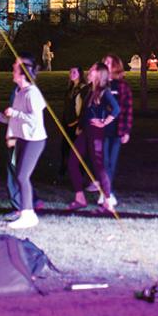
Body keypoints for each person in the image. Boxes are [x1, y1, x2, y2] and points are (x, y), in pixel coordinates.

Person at [0, 57, 46, 229]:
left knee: (21, 176)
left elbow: (34, 120)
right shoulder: (20, 92)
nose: (12, 72)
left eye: (15, 70)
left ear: (22, 74)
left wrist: (14, 113)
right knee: (20, 175)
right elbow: (15, 119)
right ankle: (25, 212)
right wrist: (0, 116)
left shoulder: (32, 93)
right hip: (22, 139)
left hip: (34, 140)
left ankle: (28, 215)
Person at [66, 63, 119, 212]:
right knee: (72, 161)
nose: (89, 70)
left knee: (99, 167)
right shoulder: (90, 90)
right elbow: (85, 111)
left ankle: (108, 202)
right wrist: (80, 126)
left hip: (96, 133)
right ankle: (80, 199)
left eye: (93, 69)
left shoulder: (104, 91)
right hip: (85, 133)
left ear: (99, 73)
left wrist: (104, 122)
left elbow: (116, 109)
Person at [102, 53, 132, 205]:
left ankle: (108, 192)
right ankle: (105, 192)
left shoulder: (122, 86)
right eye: (104, 62)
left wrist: (126, 131)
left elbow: (127, 109)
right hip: (102, 130)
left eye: (109, 62)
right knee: (103, 162)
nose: (105, 64)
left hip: (117, 130)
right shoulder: (101, 84)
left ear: (115, 66)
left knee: (112, 163)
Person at [56, 66, 86, 178]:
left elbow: (83, 108)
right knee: (65, 148)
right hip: (67, 123)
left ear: (80, 74)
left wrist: (80, 124)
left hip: (77, 124)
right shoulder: (70, 89)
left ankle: (80, 172)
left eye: (74, 72)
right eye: (70, 72)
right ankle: (63, 169)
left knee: (77, 149)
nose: (71, 74)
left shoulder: (83, 89)